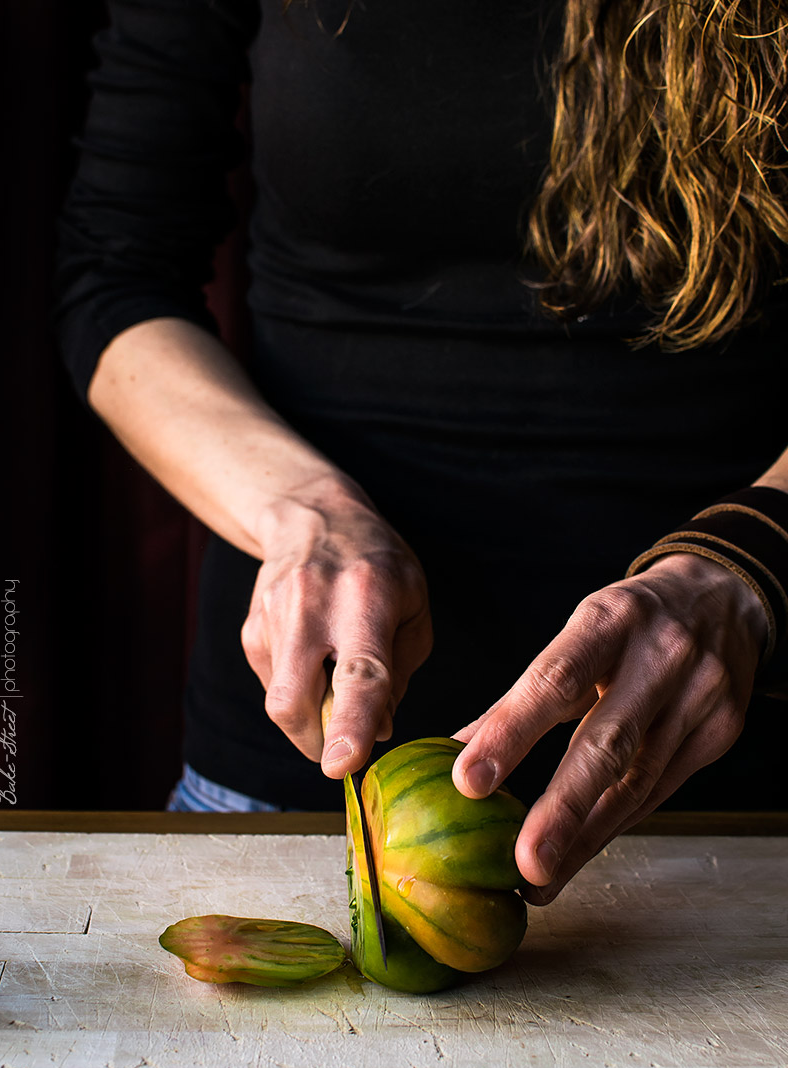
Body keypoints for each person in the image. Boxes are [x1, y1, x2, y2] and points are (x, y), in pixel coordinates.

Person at [53, 0, 788, 906]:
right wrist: (306, 511)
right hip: (300, 796)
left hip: (735, 814)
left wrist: (749, 560)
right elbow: (117, 277)